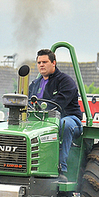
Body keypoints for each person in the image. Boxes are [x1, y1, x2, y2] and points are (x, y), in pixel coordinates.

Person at [28, 48, 82, 178]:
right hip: (39, 121)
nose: (41, 65)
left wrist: (42, 110)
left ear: (54, 63)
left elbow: (59, 104)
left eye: (45, 62)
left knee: (64, 124)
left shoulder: (65, 81)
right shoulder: (35, 84)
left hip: (69, 118)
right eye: (39, 62)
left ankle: (61, 168)